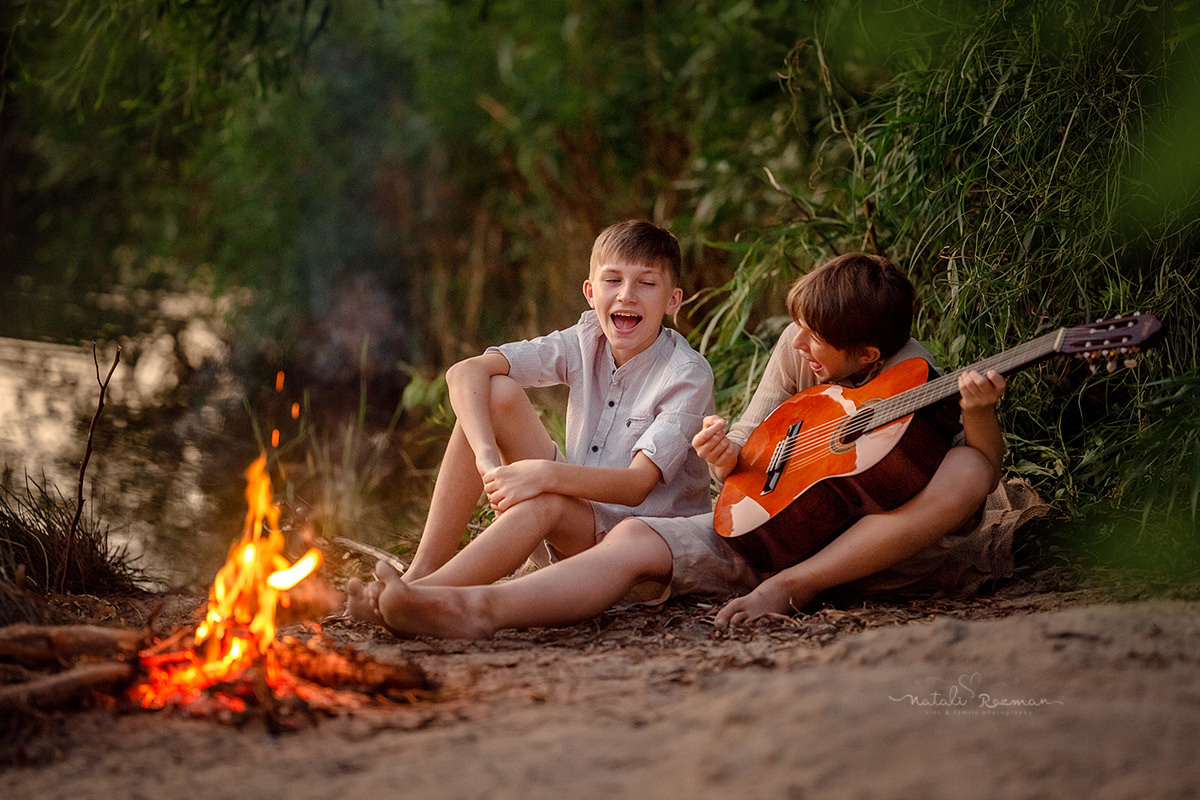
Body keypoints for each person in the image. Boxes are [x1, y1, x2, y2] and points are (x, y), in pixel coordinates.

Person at [346, 252, 1007, 638]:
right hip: (758, 524)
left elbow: (978, 468)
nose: (799, 347)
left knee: (966, 473)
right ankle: (440, 597)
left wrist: (979, 418)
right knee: (629, 542)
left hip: (836, 551)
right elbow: (756, 441)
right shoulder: (800, 345)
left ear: (865, 353)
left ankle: (474, 608)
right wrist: (729, 455)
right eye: (799, 331)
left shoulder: (922, 399)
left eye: (814, 342)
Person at [370, 219, 714, 594]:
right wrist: (488, 463)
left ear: (672, 300)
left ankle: (421, 597)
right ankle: (421, 572)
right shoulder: (586, 339)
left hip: (640, 551)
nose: (627, 295)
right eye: (612, 280)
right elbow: (466, 372)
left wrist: (542, 475)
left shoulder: (686, 373)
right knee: (496, 391)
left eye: (646, 283)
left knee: (548, 498)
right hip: (579, 523)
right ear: (590, 292)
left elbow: (636, 486)